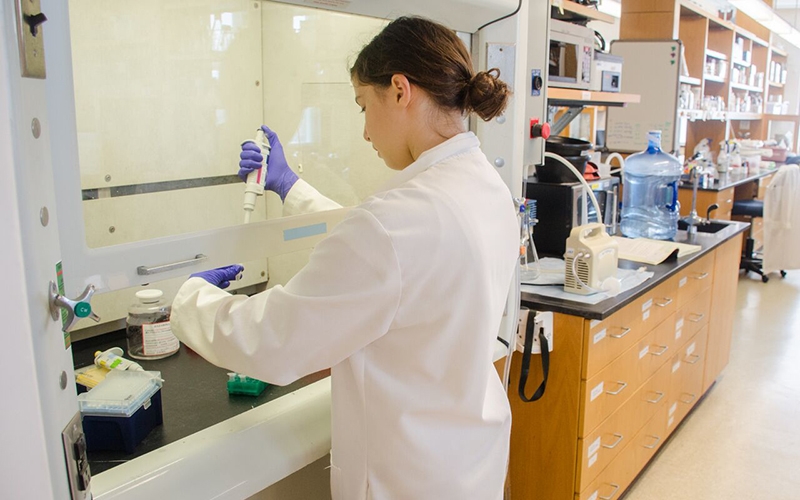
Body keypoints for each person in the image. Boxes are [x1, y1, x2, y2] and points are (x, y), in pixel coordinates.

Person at [170, 16, 517, 500]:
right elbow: (385, 259)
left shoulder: (396, 224)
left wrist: (188, 299)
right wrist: (290, 188)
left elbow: (273, 341)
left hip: (407, 480)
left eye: (362, 105)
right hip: (467, 465)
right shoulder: (485, 188)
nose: (365, 132)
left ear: (399, 90)